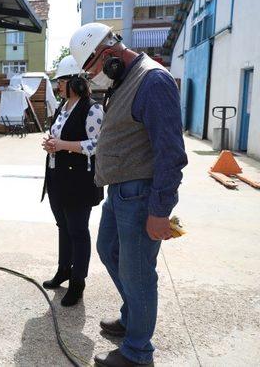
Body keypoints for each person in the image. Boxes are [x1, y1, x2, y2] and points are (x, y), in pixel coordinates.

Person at [69, 23, 188, 367]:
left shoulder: (153, 81)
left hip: (140, 195)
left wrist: (161, 210)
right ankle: (132, 316)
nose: (92, 78)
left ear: (108, 56)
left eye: (91, 69)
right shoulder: (124, 81)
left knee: (138, 273)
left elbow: (170, 152)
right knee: (108, 250)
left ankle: (138, 353)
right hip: (120, 192)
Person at [40, 55, 104, 307]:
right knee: (63, 226)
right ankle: (64, 269)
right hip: (57, 176)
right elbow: (56, 134)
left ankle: (78, 281)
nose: (58, 86)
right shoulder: (62, 106)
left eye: (61, 81)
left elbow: (97, 144)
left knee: (78, 230)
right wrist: (49, 143)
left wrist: (62, 145)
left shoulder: (93, 108)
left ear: (75, 81)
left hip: (79, 180)